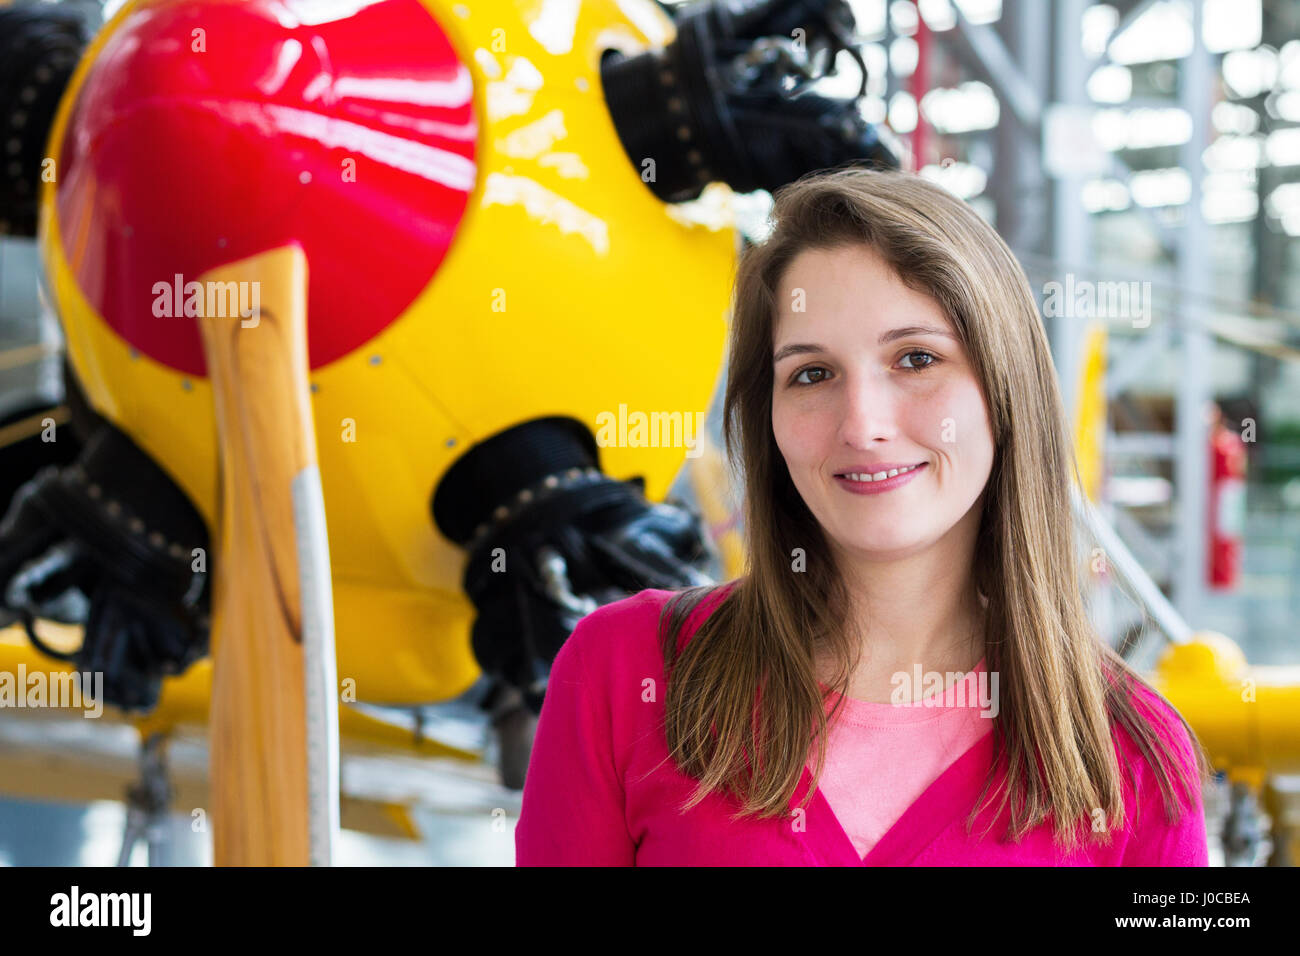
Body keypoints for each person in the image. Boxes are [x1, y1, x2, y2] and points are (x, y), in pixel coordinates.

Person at [514, 166, 1212, 866]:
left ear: (1006, 391)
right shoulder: (625, 672)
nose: (863, 425)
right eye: (812, 374)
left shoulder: (1134, 755)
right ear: (771, 420)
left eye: (915, 358)